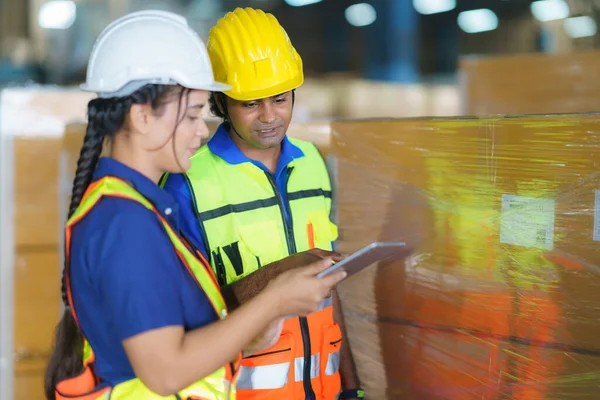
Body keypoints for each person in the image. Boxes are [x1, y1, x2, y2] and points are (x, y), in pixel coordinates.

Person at [44, 10, 346, 400]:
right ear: (141, 117)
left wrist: (251, 334)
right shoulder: (125, 223)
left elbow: (185, 340)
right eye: (190, 116)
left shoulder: (143, 213)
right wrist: (274, 300)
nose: (202, 130)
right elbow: (166, 373)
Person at [161, 7, 363, 400]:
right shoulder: (187, 184)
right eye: (251, 104)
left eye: (280, 99)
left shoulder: (312, 165)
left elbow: (330, 293)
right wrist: (284, 273)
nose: (269, 117)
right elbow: (185, 320)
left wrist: (351, 387)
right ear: (221, 102)